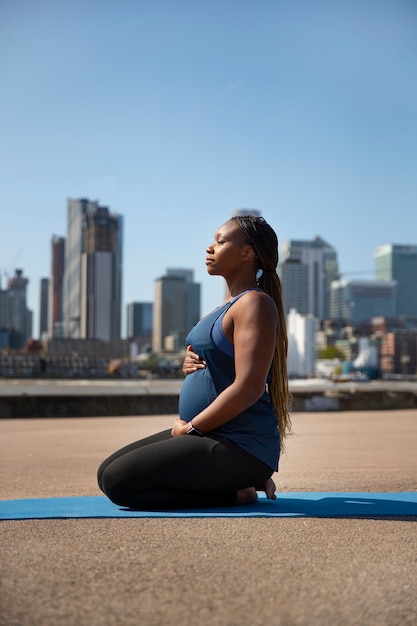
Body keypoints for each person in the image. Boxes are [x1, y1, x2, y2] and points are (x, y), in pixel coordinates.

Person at [97, 215, 292, 510]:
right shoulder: (227, 306)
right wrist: (192, 362)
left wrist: (190, 430)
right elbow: (221, 357)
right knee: (105, 473)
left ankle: (238, 492)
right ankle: (235, 482)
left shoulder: (256, 303)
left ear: (247, 253)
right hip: (212, 436)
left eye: (220, 241)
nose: (209, 248)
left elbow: (249, 387)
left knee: (118, 482)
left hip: (238, 445)